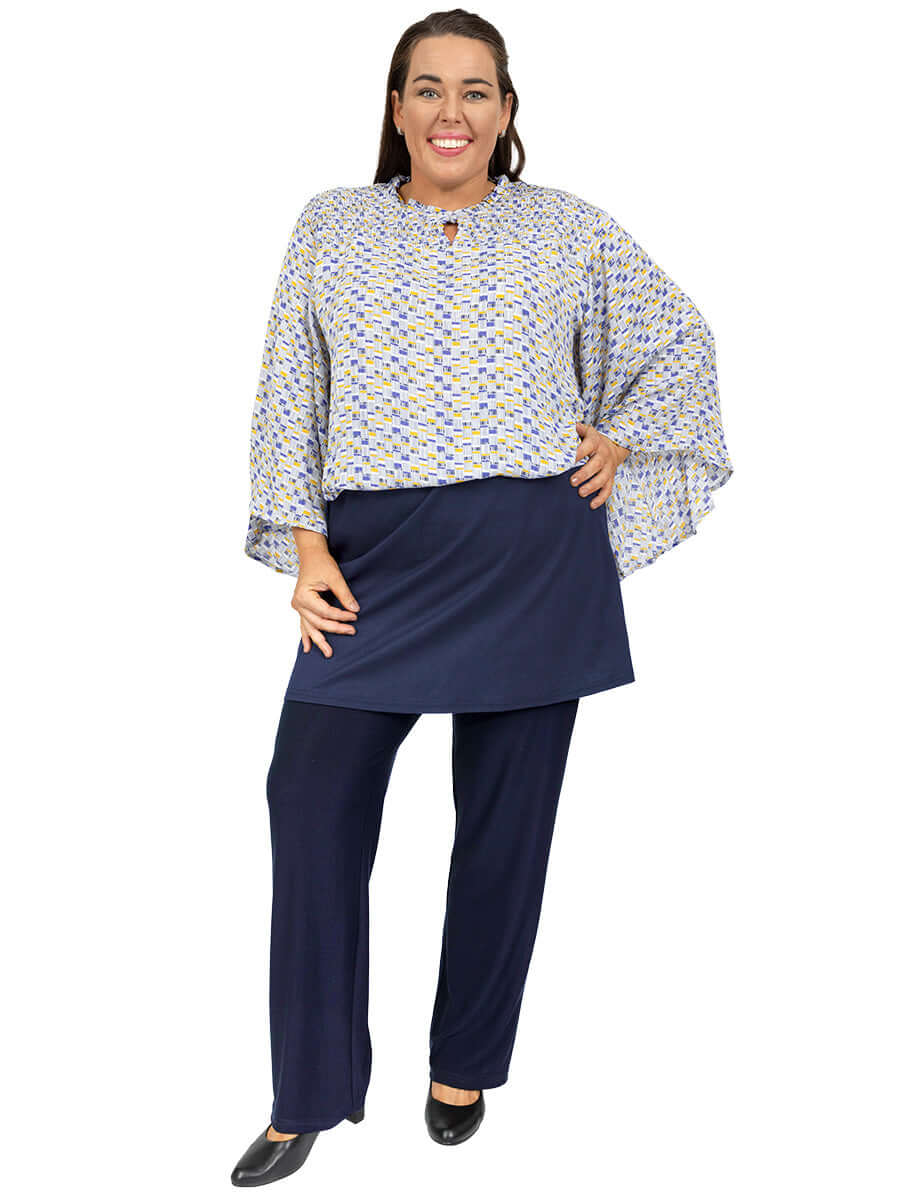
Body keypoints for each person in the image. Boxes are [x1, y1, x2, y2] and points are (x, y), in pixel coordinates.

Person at [231, 9, 734, 1187]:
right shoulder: (332, 224)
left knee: (506, 829)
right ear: (396, 106)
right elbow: (289, 384)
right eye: (428, 88)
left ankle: (464, 1063)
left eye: (475, 90)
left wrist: (620, 434)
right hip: (377, 563)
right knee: (308, 800)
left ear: (507, 111)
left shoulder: (568, 227)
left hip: (530, 560)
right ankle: (309, 1091)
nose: (450, 111)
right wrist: (305, 545)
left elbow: (681, 343)